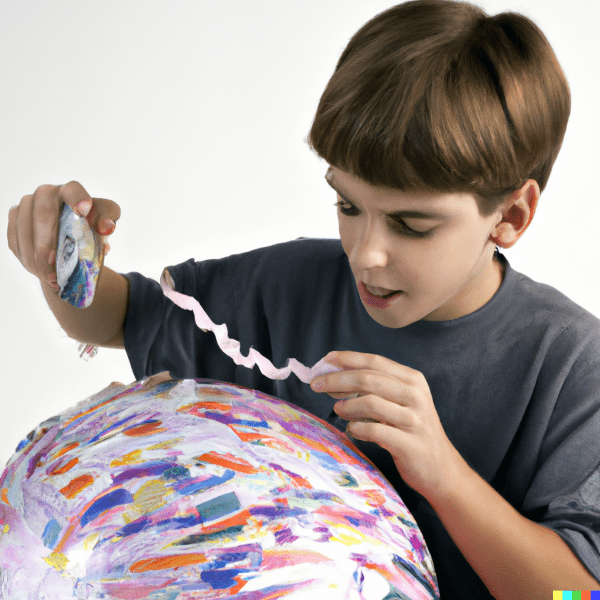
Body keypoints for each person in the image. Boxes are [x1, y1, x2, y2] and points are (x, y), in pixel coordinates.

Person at [7, 0, 600, 596]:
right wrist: (63, 262)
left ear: (512, 215)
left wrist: (443, 474)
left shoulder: (572, 366)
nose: (365, 252)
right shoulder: (289, 287)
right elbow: (120, 318)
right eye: (347, 206)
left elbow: (580, 592)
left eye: (413, 225)